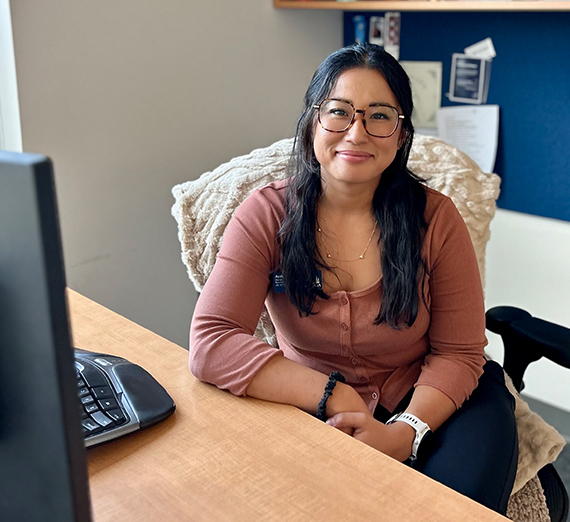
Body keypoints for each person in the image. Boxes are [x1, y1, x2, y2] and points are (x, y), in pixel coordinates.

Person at [189, 43, 518, 514]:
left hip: (436, 401)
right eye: (339, 111)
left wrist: (403, 434)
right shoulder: (265, 215)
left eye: (380, 115)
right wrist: (332, 394)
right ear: (311, 124)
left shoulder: (436, 219)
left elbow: (460, 353)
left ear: (402, 135)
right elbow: (211, 340)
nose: (357, 132)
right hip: (315, 404)